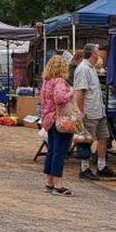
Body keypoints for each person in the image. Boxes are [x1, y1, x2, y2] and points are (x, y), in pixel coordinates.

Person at [72, 43, 116, 182]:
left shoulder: (92, 68)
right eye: (98, 52)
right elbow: (79, 91)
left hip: (98, 110)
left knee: (103, 137)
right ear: (93, 54)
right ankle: (84, 168)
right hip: (89, 111)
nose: (100, 55)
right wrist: (80, 111)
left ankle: (101, 166)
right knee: (87, 140)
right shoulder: (83, 69)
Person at [40, 55, 75, 197]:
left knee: (52, 151)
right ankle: (58, 185)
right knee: (60, 152)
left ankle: (49, 182)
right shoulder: (60, 82)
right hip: (60, 119)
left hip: (49, 119)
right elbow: (60, 99)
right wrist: (71, 92)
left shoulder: (46, 82)